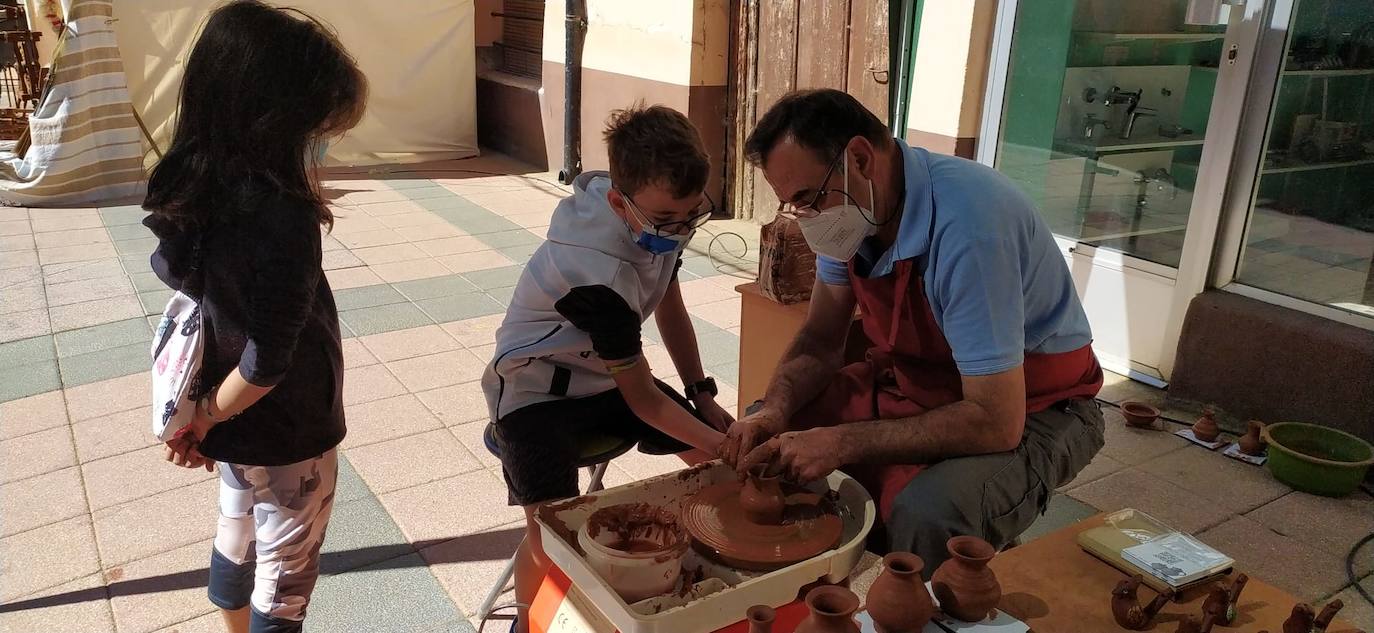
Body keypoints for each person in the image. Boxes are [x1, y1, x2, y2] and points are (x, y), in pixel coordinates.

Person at [721, 89, 1105, 574]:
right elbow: (820, 339)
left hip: (1039, 406)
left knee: (929, 513)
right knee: (769, 436)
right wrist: (773, 409)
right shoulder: (850, 215)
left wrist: (841, 441)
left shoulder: (971, 228)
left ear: (860, 158)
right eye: (793, 205)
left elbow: (994, 419)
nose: (807, 220)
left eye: (808, 199)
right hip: (923, 383)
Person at [145, 3, 367, 632]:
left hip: (229, 415)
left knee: (238, 530)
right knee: (286, 567)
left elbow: (199, 307)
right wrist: (212, 416)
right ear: (277, 121)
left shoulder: (192, 190)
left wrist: (201, 419)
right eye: (315, 128)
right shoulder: (283, 216)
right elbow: (269, 359)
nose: (320, 143)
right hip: (288, 424)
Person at [481, 104, 733, 633]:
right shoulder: (596, 270)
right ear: (619, 203)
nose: (681, 231)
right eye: (668, 221)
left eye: (694, 215)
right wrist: (721, 444)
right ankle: (528, 624)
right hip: (534, 391)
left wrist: (703, 395)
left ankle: (724, 551)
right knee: (553, 536)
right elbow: (643, 400)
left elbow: (669, 301)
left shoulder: (655, 218)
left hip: (601, 377)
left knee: (713, 457)